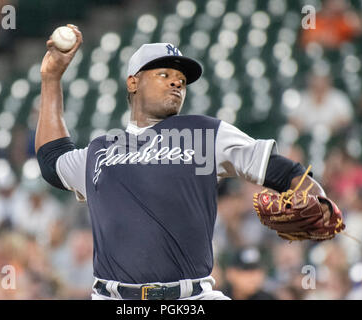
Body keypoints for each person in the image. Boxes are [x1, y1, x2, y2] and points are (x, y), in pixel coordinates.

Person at [35, 25, 339, 300]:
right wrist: (51, 78)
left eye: (181, 80)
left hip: (192, 298)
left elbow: (286, 171)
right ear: (133, 82)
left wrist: (317, 197)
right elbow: (52, 160)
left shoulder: (204, 132)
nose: (176, 84)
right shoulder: (101, 150)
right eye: (163, 75)